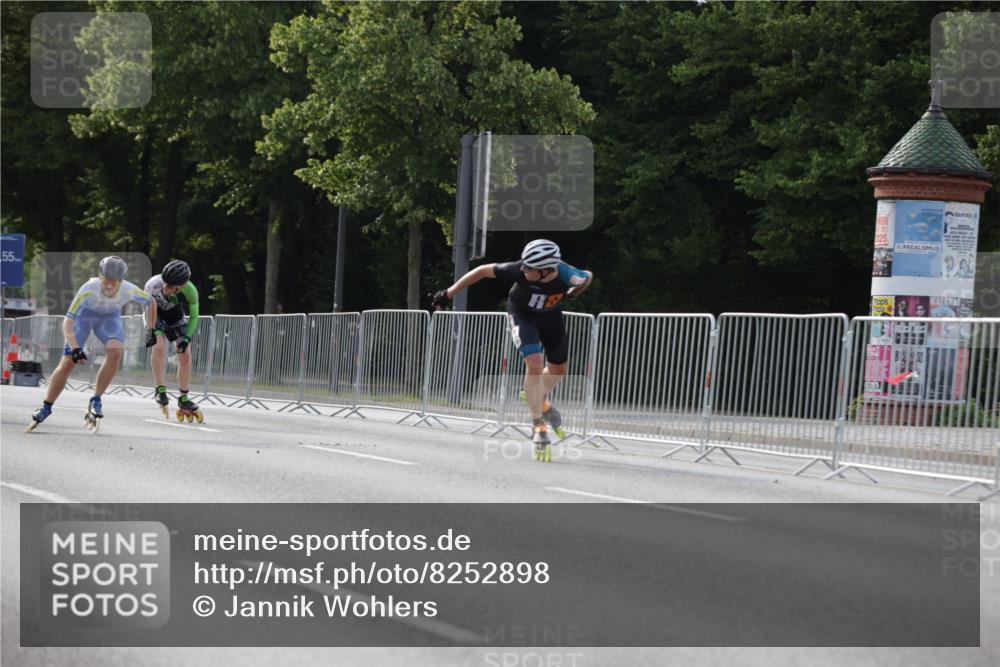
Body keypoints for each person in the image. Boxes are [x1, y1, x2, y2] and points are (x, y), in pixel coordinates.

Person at [433, 239, 593, 462]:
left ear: (547, 270)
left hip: (551, 318)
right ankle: (538, 425)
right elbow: (482, 271)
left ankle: (536, 397)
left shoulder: (568, 275)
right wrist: (448, 293)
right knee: (535, 364)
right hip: (522, 315)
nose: (524, 269)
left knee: (558, 370)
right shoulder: (519, 269)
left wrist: (576, 290)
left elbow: (587, 276)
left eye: (530, 268)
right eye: (524, 265)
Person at [27, 256, 151, 432]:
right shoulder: (88, 288)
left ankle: (96, 400)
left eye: (113, 282)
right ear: (99, 276)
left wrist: (151, 328)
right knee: (68, 361)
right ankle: (46, 407)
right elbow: (68, 322)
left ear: (121, 281)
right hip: (84, 318)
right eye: (105, 280)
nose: (108, 285)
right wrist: (76, 348)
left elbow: (151, 302)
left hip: (109, 318)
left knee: (116, 352)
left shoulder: (129, 290)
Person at [144, 259, 203, 422]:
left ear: (183, 285)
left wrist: (186, 339)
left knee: (186, 354)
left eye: (172, 286)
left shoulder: (190, 290)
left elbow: (194, 316)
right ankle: (160, 389)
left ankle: (183, 397)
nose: (166, 288)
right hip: (155, 313)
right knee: (159, 347)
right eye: (166, 283)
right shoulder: (153, 285)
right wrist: (150, 331)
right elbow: (149, 310)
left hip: (175, 315)